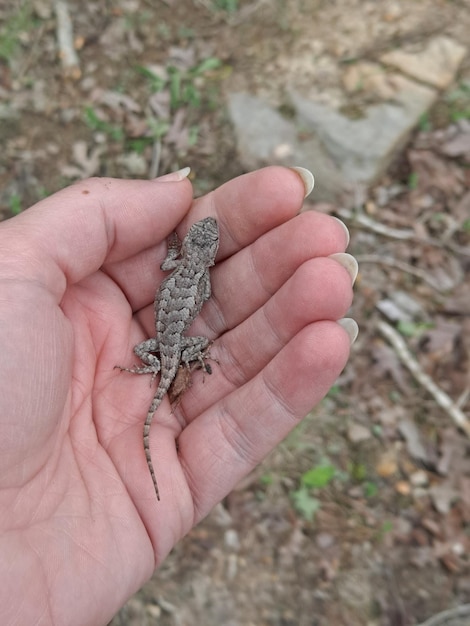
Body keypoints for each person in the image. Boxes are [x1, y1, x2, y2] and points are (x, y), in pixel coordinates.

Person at [0, 165, 357, 625]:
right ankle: (168, 367)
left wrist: (173, 256)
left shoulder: (179, 263)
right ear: (202, 252)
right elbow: (204, 300)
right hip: (175, 342)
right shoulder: (204, 278)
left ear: (196, 252)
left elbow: (178, 275)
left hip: (159, 343)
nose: (201, 240)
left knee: (148, 356)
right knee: (188, 354)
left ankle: (151, 366)